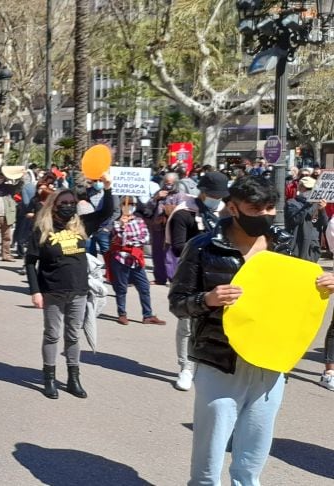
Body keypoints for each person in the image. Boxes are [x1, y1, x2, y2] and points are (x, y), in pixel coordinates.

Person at [168, 175, 329, 485]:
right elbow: (178, 302)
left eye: (270, 208)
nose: (265, 215)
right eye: (255, 208)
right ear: (233, 207)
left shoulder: (284, 245)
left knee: (253, 453)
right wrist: (208, 299)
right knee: (210, 450)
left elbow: (300, 290)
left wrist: (322, 285)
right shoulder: (204, 247)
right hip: (221, 361)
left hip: (271, 363)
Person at [26, 176, 114, 400]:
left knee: (73, 335)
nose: (68, 208)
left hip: (78, 290)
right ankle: (49, 378)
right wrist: (35, 291)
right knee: (53, 335)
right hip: (52, 290)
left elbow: (106, 212)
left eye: (72, 204)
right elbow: (30, 261)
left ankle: (73, 378)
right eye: (63, 204)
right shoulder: (42, 229)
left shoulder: (81, 224)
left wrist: (108, 187)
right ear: (53, 206)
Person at [166, 172, 227, 392]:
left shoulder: (225, 212)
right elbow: (177, 246)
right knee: (187, 325)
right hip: (191, 276)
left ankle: (207, 365)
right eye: (213, 194)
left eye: (220, 195)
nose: (217, 198)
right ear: (202, 192)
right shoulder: (185, 213)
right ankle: (185, 367)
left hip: (220, 275)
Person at [108, 196, 165, 325]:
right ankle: (122, 314)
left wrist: (131, 242)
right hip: (120, 259)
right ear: (121, 206)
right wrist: (123, 227)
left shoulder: (139, 220)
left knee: (144, 287)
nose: (129, 206)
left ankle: (147, 315)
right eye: (127, 204)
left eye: (132, 204)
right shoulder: (117, 222)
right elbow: (120, 240)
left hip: (136, 259)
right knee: (121, 288)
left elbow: (145, 238)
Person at [285, 176, 328, 263]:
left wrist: (322, 210)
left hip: (312, 245)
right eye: (308, 188)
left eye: (312, 189)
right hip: (296, 245)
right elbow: (295, 220)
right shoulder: (292, 203)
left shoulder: (317, 204)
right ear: (300, 187)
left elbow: (324, 223)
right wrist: (308, 205)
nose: (310, 191)